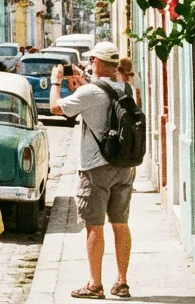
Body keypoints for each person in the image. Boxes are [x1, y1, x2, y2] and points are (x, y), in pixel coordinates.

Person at [50, 42, 136, 300]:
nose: (89, 64)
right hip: (124, 166)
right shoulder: (127, 88)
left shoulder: (90, 92)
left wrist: (56, 83)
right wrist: (83, 86)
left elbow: (55, 108)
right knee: (121, 224)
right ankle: (122, 283)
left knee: (94, 227)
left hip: (95, 167)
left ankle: (95, 284)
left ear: (98, 62)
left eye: (92, 61)